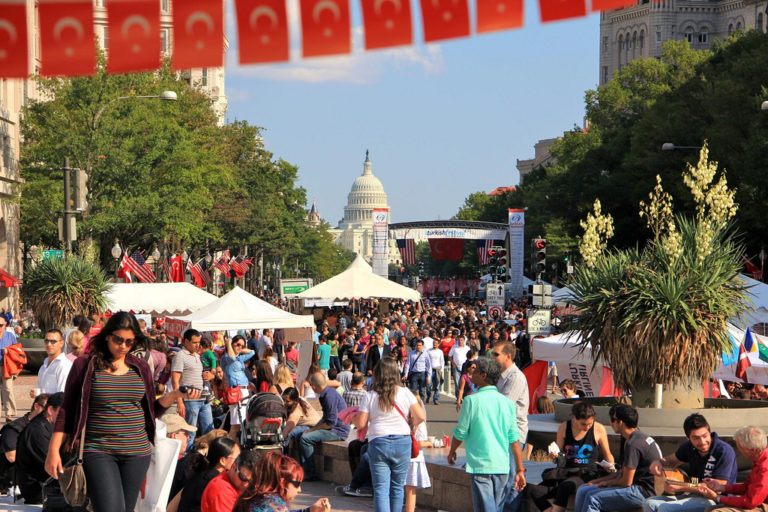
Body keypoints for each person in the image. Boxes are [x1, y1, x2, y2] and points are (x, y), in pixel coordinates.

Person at [46, 312, 201, 512]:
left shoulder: (141, 367)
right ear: (108, 336)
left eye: (129, 342)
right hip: (98, 449)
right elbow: (67, 408)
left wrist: (174, 395)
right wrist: (53, 450)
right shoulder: (85, 365)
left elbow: (150, 411)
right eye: (119, 340)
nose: (123, 346)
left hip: (137, 453)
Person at [448, 357, 525, 512]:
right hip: (502, 465)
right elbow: (514, 439)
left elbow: (460, 432)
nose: (471, 375)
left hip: (481, 465)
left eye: (475, 371)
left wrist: (452, 451)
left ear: (483, 375)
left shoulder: (471, 401)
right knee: (495, 507)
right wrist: (519, 469)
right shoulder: (507, 403)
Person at [353, 358, 427, 512]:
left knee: (380, 489)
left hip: (379, 441)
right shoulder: (405, 392)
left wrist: (352, 416)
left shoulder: (370, 395)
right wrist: (409, 424)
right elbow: (421, 416)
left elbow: (360, 424)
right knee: (398, 487)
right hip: (402, 441)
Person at [520, 401, 614, 512]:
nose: (587, 427)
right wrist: (554, 456)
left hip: (587, 472)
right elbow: (560, 456)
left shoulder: (598, 429)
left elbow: (608, 454)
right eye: (583, 424)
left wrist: (611, 468)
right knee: (531, 490)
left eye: (590, 423)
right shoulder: (564, 427)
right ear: (575, 418)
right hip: (566, 471)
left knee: (566, 486)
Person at [574, 404, 663, 512]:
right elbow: (622, 472)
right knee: (583, 490)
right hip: (636, 486)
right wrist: (596, 481)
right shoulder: (633, 437)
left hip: (644, 492)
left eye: (612, 420)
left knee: (593, 498)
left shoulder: (633, 444)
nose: (611, 423)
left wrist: (607, 483)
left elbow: (627, 482)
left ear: (620, 422)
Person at [645, 413, 737, 512]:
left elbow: (717, 487)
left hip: (716, 499)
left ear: (709, 432)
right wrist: (658, 463)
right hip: (694, 495)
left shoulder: (724, 451)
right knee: (649, 503)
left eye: (705, 436)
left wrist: (681, 487)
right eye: (696, 438)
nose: (702, 441)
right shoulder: (688, 447)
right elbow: (670, 461)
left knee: (666, 508)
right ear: (688, 438)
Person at [492, 341, 530, 511]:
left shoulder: (515, 377)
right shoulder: (499, 376)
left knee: (509, 480)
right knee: (501, 479)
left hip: (513, 434)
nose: (492, 358)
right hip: (500, 434)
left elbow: (503, 405)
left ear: (508, 356)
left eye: (496, 354)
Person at [698, 425, 768, 511]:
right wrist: (722, 488)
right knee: (709, 509)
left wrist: (717, 498)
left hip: (763, 505)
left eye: (741, 447)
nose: (739, 450)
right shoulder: (760, 458)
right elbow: (748, 487)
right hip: (757, 501)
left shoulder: (764, 468)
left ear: (752, 450)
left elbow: (750, 502)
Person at [233, 451, 329, 512]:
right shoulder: (275, 505)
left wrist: (309, 510)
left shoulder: (253, 495)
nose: (299, 490)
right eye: (296, 484)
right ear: (282, 482)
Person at [298, 372, 349, 481]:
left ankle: (310, 472)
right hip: (333, 428)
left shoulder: (329, 396)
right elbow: (325, 417)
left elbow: (330, 422)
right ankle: (302, 469)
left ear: (314, 386)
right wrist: (313, 428)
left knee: (305, 439)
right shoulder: (326, 393)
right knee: (301, 433)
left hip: (337, 431)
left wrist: (314, 430)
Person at [15, 392, 63, 504]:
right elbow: (52, 466)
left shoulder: (49, 426)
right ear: (51, 410)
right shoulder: (37, 430)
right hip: (38, 490)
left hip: (46, 484)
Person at [171, 436, 239, 512]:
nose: (239, 462)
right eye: (237, 459)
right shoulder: (216, 481)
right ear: (223, 460)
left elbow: (171, 508)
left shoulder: (200, 472)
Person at [173, 328, 215, 450]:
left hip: (203, 398)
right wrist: (179, 402)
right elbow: (175, 380)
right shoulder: (180, 356)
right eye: (194, 342)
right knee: (190, 433)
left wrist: (210, 376)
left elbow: (203, 375)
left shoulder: (198, 356)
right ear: (186, 341)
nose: (198, 345)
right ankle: (187, 461)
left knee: (209, 431)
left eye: (199, 342)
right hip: (190, 400)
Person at [0, 393, 48, 491]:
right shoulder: (14, 428)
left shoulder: (47, 428)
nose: (49, 413)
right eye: (46, 409)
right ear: (36, 406)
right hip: (14, 482)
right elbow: (11, 456)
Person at [221, 334, 255, 440]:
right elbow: (231, 357)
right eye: (238, 344)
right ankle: (232, 447)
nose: (240, 347)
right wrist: (228, 344)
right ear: (231, 344)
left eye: (242, 345)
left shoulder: (239, 358)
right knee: (235, 424)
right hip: (236, 391)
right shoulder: (226, 357)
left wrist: (241, 348)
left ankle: (238, 444)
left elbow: (252, 352)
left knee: (243, 422)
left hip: (244, 390)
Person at [405, 389, 432, 512]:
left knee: (399, 487)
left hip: (403, 455)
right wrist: (429, 443)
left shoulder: (404, 419)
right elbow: (419, 442)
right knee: (411, 490)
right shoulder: (419, 422)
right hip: (415, 458)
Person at [34, 328, 73, 394]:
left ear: (61, 343)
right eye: (46, 341)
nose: (49, 344)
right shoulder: (44, 365)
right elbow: (40, 389)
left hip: (54, 404)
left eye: (53, 341)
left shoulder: (64, 365)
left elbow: (62, 394)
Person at [0, 318, 19, 422]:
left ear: (5, 324)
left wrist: (8, 351)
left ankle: (10, 413)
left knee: (8, 389)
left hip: (7, 366)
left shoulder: (10, 336)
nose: (0, 327)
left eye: (1, 325)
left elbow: (17, 350)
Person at [403, 339, 432, 405]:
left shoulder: (426, 354)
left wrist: (428, 377)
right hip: (414, 374)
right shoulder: (412, 353)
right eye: (417, 345)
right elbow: (408, 364)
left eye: (419, 345)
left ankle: (421, 404)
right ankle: (414, 403)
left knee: (422, 390)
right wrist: (406, 374)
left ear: (422, 346)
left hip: (422, 373)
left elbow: (429, 366)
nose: (418, 347)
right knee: (413, 390)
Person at [426, 337, 445, 405]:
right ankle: (428, 395)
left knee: (437, 385)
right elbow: (426, 360)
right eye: (434, 343)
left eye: (436, 343)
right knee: (428, 385)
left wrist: (442, 369)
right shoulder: (428, 351)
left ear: (438, 344)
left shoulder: (440, 352)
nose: (435, 344)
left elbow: (442, 361)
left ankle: (436, 399)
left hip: (437, 369)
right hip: (430, 370)